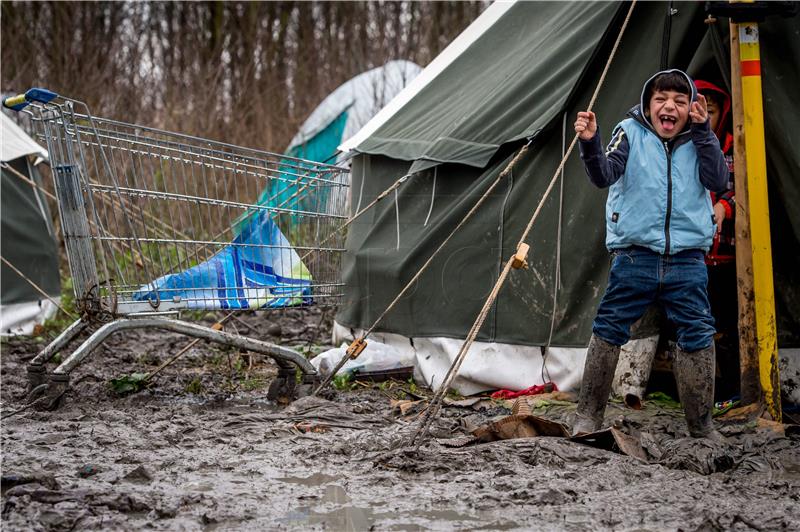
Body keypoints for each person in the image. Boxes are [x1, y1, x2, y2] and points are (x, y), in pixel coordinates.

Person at [573, 69, 729, 439]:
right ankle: (587, 416)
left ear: (691, 107)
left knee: (697, 333)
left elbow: (719, 181)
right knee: (610, 328)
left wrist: (704, 132)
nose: (669, 107)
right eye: (661, 99)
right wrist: (591, 143)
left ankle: (702, 426)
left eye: (679, 100)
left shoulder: (700, 139)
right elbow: (602, 175)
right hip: (634, 256)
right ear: (648, 104)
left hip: (687, 259)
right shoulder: (629, 133)